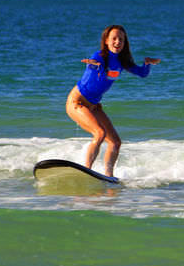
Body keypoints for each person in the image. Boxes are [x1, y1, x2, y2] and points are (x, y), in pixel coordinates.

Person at [65, 25, 160, 177]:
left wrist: (147, 64)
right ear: (107, 41)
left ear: (125, 43)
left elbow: (142, 74)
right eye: (114, 38)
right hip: (77, 102)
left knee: (115, 142)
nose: (117, 42)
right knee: (100, 133)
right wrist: (92, 65)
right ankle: (86, 171)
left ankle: (108, 177)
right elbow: (93, 65)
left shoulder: (122, 62)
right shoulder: (99, 56)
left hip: (94, 106)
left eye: (121, 39)